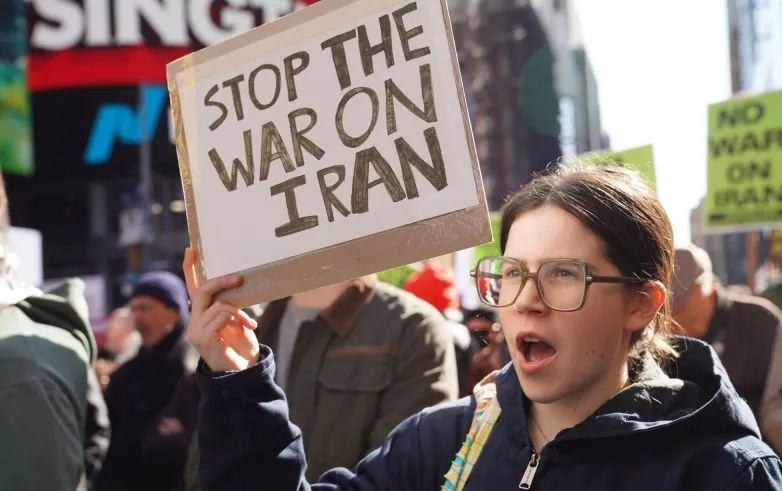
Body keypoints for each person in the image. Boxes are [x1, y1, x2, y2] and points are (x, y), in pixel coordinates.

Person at [184, 164, 782, 490]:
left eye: (563, 275)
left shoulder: (724, 473)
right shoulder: (440, 441)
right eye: (512, 273)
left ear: (641, 304)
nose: (526, 301)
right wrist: (240, 380)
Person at [671, 243, 782, 454]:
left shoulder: (760, 321)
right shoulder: (660, 337)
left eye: (679, 299)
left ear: (705, 286)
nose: (672, 312)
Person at [96, 271, 198, 491]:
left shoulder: (195, 370)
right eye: (134, 309)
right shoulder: (125, 374)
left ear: (174, 313)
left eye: (145, 308)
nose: (138, 317)